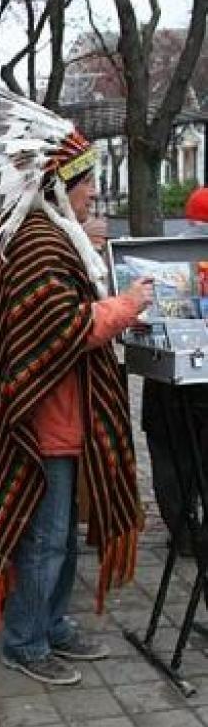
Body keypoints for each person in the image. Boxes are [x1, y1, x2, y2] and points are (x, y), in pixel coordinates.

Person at [0, 88, 154, 686]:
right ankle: (25, 640)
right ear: (55, 186)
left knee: (61, 538)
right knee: (44, 541)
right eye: (85, 181)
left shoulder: (48, 236)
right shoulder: (38, 242)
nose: (93, 192)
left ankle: (52, 622)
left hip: (62, 420)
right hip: (44, 427)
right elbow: (64, 328)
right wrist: (125, 306)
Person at [141, 184, 208, 555]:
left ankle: (182, 533)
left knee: (170, 456)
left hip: (168, 375)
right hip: (181, 375)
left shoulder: (164, 261)